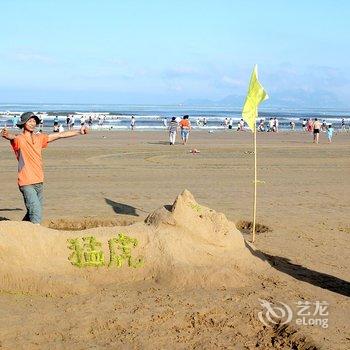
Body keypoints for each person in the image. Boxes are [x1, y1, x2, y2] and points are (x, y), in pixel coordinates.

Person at [1, 112, 88, 224]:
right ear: (23, 123)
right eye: (29, 121)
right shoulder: (19, 139)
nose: (32, 123)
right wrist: (6, 134)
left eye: (34, 121)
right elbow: (11, 137)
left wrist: (78, 132)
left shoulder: (40, 138)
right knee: (36, 211)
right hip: (26, 182)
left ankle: (20, 229)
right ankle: (36, 235)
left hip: (39, 181)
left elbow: (59, 135)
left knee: (33, 210)